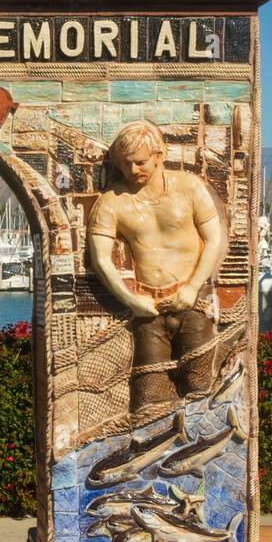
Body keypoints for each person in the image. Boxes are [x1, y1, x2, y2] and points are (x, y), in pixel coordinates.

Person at [87, 120, 226, 407]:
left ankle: (202, 445)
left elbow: (215, 239)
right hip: (149, 309)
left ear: (159, 155)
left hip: (193, 302)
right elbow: (101, 259)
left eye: (140, 163)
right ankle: (151, 447)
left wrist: (192, 288)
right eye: (125, 165)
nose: (132, 171)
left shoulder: (189, 188)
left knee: (200, 383)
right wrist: (130, 299)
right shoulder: (112, 202)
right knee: (148, 391)